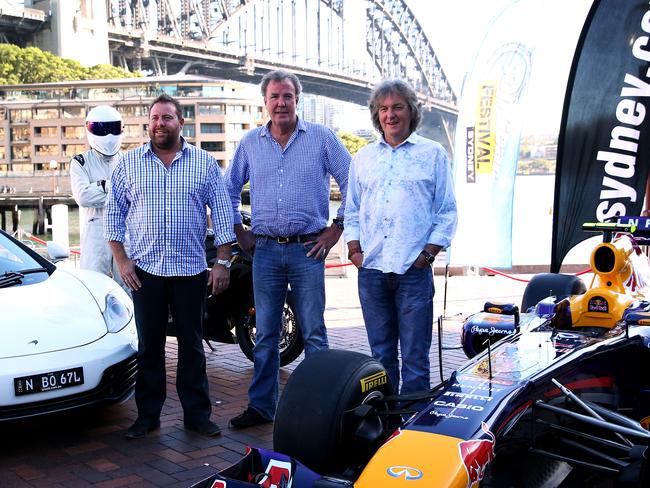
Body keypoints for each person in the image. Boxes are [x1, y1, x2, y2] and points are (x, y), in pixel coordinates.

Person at [104, 93, 236, 439]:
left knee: (192, 345)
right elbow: (113, 217)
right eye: (154, 118)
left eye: (167, 118)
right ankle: (148, 416)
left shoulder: (204, 163)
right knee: (150, 345)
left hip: (191, 271)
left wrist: (222, 262)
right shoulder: (129, 164)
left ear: (181, 123)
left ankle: (197, 416)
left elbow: (223, 215)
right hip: (145, 272)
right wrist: (122, 260)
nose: (159, 124)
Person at [225, 70, 351, 428]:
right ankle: (262, 407)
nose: (281, 103)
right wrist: (239, 231)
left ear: (298, 100)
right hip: (263, 251)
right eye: (274, 97)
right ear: (265, 102)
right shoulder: (251, 143)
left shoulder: (322, 138)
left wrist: (336, 230)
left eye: (288, 96)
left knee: (313, 332)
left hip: (308, 249)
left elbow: (354, 182)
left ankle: (320, 408)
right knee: (265, 333)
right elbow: (228, 190)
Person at [344, 79, 457, 395]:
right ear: (376, 115)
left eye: (397, 107)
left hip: (413, 272)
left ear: (411, 112)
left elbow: (446, 212)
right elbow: (351, 209)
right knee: (380, 358)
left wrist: (428, 255)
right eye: (383, 109)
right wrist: (354, 250)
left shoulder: (433, 154)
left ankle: (413, 431)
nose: (390, 115)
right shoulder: (364, 158)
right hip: (372, 270)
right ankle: (387, 425)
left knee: (416, 360)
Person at [70, 105, 126, 290]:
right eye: (102, 129)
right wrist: (112, 186)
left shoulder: (128, 160)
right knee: (93, 284)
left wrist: (100, 188)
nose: (108, 135)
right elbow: (83, 197)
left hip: (124, 230)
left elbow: (135, 194)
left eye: (113, 128)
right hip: (96, 229)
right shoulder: (80, 162)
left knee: (127, 286)